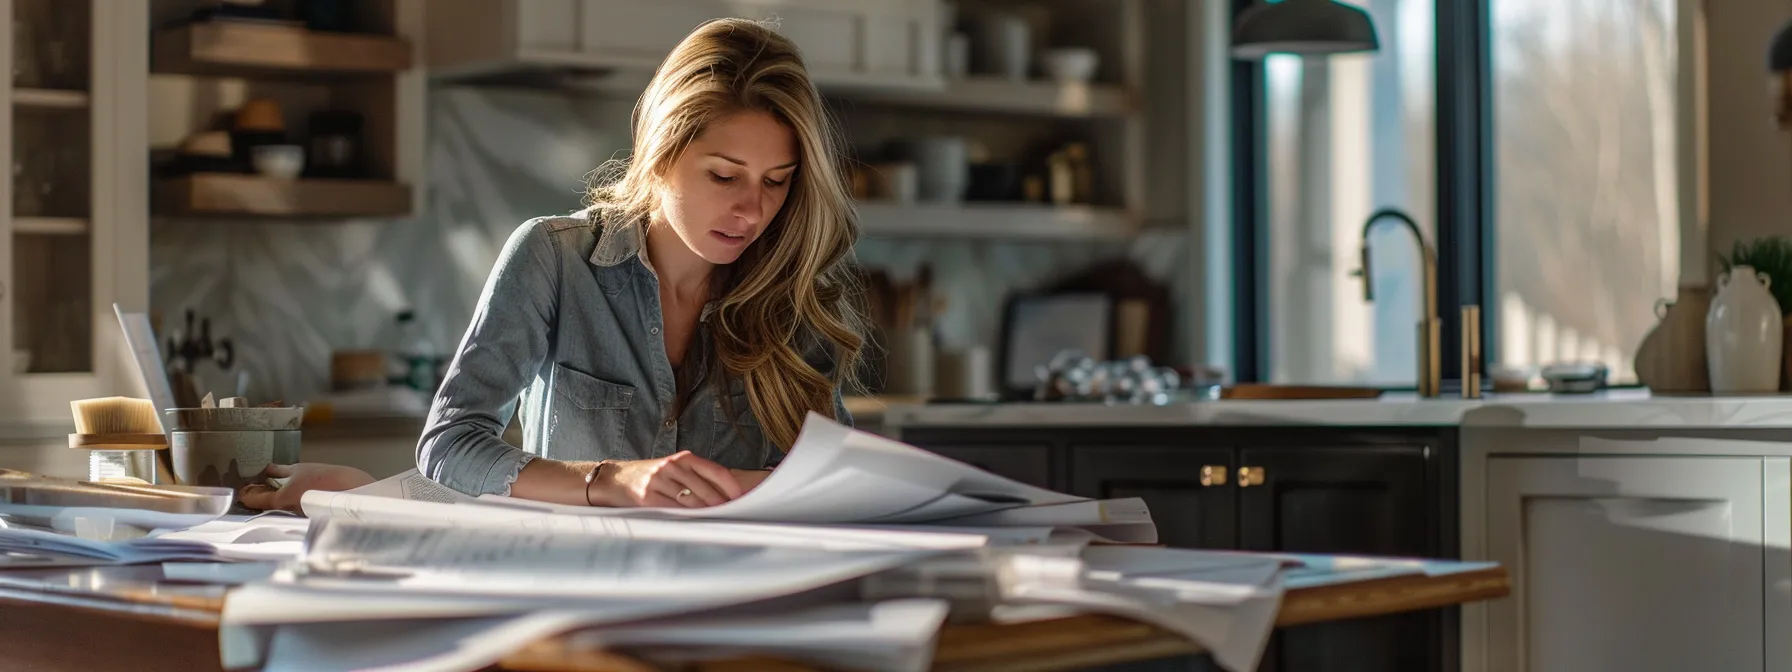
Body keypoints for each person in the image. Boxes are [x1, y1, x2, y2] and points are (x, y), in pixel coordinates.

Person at [238, 17, 867, 514]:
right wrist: (607, 481)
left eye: (777, 182)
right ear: (660, 154)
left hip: (742, 599)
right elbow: (449, 447)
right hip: (574, 589)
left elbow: (838, 483)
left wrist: (737, 486)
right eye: (724, 176)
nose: (752, 209)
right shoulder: (555, 260)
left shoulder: (795, 301)